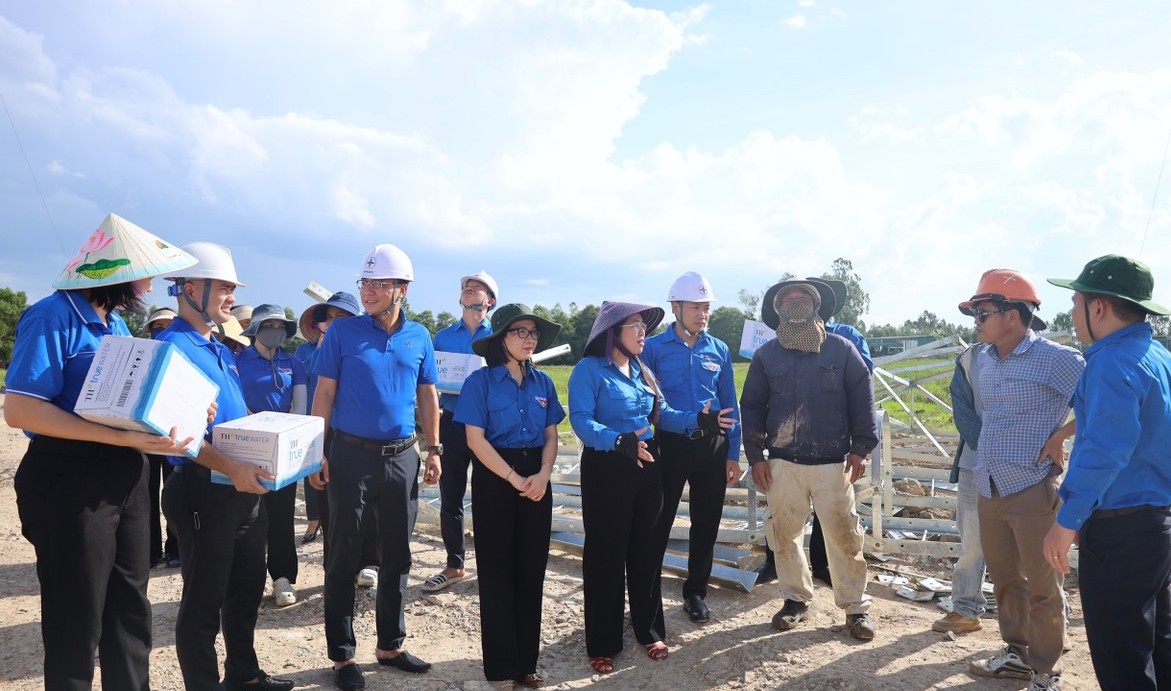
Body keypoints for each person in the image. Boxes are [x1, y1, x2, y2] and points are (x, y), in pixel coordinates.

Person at [6, 213, 199, 690]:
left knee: (130, 605)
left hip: (125, 473)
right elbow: (21, 409)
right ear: (118, 273)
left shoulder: (113, 324)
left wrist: (186, 407)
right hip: (69, 475)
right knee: (77, 614)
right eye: (146, 274)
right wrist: (121, 439)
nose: (150, 286)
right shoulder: (53, 316)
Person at [568, 301, 734, 675]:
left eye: (644, 326)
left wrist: (700, 420)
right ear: (613, 333)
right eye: (635, 326)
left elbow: (663, 414)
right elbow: (581, 420)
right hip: (608, 465)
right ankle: (603, 641)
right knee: (607, 553)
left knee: (646, 549)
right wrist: (616, 440)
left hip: (647, 465)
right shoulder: (589, 370)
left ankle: (649, 630)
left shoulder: (642, 370)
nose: (643, 332)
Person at [157, 242, 295, 691]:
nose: (231, 297)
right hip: (203, 489)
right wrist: (232, 468)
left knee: (246, 588)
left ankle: (243, 674)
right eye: (223, 288)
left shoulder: (215, 345)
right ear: (190, 289)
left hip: (240, 490)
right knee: (203, 602)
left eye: (233, 289)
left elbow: (231, 417)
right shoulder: (173, 347)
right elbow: (178, 436)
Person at [309, 244, 443, 690]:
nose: (368, 291)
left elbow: (427, 395)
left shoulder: (419, 336)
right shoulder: (342, 335)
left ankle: (390, 645)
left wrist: (435, 449)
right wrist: (317, 450)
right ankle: (343, 656)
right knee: (343, 555)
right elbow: (324, 393)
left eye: (379, 284)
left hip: (403, 456)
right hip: (350, 457)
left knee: (398, 555)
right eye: (364, 283)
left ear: (402, 289)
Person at [1045, 255, 1171, 690]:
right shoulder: (1157, 355)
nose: (1072, 312)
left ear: (1098, 307)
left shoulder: (1110, 361)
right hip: (1155, 524)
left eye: (1075, 301)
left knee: (1121, 659)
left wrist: (1067, 519)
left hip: (1121, 530)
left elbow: (1104, 448)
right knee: (1156, 643)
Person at [956, 269, 1083, 691]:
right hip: (989, 485)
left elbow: (1101, 403)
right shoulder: (985, 359)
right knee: (1006, 578)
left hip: (1030, 487)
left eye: (982, 313)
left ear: (1013, 315)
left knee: (1044, 585)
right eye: (974, 314)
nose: (976, 322)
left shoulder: (1057, 359)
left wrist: (1061, 436)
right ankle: (1016, 653)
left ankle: (1047, 671)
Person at [739, 278, 877, 641]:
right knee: (784, 535)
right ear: (778, 309)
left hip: (834, 463)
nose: (796, 301)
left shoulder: (842, 350)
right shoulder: (766, 356)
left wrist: (861, 448)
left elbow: (863, 399)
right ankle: (795, 599)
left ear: (817, 306)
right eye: (789, 298)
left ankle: (856, 607)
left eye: (804, 297)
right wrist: (755, 457)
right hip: (783, 463)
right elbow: (751, 407)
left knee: (844, 536)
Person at [454, 303, 565, 689]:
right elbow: (475, 440)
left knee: (531, 572)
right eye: (521, 331)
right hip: (495, 478)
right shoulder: (480, 383)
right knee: (497, 573)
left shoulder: (543, 383)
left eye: (533, 333)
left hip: (537, 479)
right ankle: (501, 668)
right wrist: (514, 478)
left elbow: (551, 435)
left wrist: (543, 474)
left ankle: (526, 665)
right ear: (502, 338)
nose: (530, 338)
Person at [643, 272, 742, 624]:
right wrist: (692, 420)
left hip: (712, 447)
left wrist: (732, 453)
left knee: (706, 521)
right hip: (670, 446)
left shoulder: (719, 349)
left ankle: (696, 592)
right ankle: (647, 590)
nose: (703, 314)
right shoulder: (653, 348)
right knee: (658, 519)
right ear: (676, 307)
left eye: (706, 308)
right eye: (695, 307)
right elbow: (653, 408)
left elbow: (730, 404)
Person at [424, 270, 498, 593]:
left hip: (488, 426)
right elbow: (429, 384)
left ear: (489, 301)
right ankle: (455, 564)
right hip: (452, 422)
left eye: (477, 287)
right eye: (466, 286)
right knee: (450, 496)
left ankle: (492, 566)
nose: (469, 289)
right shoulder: (441, 338)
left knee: (489, 497)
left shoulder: (500, 337)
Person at [237, 303, 308, 607]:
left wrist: (284, 432)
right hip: (246, 446)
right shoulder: (237, 361)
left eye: (280, 327)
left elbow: (300, 404)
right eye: (269, 326)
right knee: (247, 517)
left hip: (283, 448)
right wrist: (257, 428)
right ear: (255, 330)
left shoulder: (294, 363)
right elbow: (235, 399)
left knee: (281, 516)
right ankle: (245, 581)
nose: (275, 331)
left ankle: (283, 577)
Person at [294, 292, 361, 547]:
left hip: (347, 425)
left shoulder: (358, 348)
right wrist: (322, 351)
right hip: (315, 421)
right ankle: (315, 520)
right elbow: (304, 376)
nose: (332, 322)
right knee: (314, 474)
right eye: (328, 318)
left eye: (340, 317)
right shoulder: (306, 350)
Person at [142, 307, 184, 569]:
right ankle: (149, 552)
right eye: (158, 327)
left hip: (172, 436)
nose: (163, 331)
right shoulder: (140, 357)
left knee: (173, 494)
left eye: (168, 326)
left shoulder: (183, 359)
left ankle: (175, 548)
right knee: (145, 496)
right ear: (149, 331)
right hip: (143, 437)